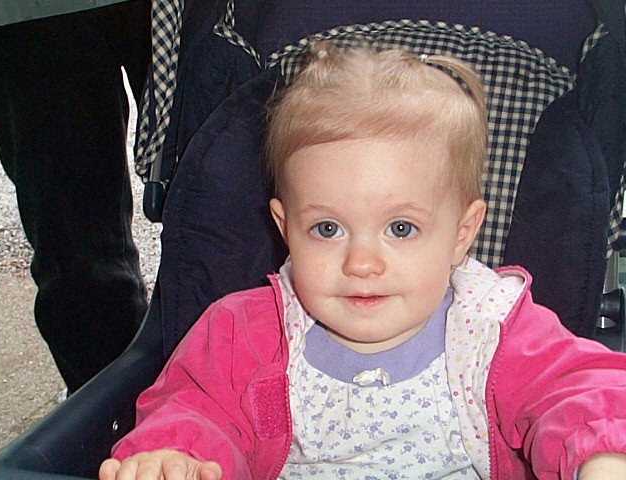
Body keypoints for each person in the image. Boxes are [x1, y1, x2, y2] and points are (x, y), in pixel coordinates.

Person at [99, 44, 626, 479]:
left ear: (461, 235)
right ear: (285, 228)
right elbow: (195, 409)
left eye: (401, 229)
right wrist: (177, 456)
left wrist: (601, 453)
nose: (362, 263)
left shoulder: (495, 332)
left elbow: (577, 389)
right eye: (327, 229)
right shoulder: (242, 336)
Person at [0, 1, 151, 392]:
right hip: (33, 15)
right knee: (81, 268)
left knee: (232, 220)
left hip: (192, 11)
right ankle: (119, 416)